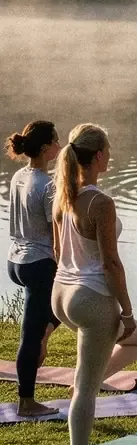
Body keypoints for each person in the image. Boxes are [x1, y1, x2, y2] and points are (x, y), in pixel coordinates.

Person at [52, 124, 137, 445]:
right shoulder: (100, 202)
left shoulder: (64, 195)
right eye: (108, 150)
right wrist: (126, 310)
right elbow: (111, 263)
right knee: (87, 389)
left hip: (62, 294)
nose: (110, 155)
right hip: (91, 299)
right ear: (98, 156)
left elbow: (56, 250)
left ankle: (87, 379)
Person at [5, 120, 62, 417]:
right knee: (31, 333)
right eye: (56, 141)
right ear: (45, 149)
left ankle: (44, 335)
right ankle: (26, 402)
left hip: (15, 261)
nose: (60, 146)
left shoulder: (19, 175)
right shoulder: (48, 185)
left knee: (59, 310)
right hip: (38, 263)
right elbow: (58, 230)